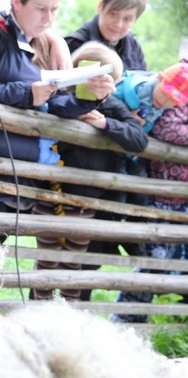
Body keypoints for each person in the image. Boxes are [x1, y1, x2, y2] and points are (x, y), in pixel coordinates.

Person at [32, 41, 149, 300]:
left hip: (86, 200)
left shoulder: (111, 106)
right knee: (47, 260)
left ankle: (69, 320)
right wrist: (85, 104)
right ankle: (36, 313)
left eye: (111, 82)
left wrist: (106, 123)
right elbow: (59, 109)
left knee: (74, 262)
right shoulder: (60, 93)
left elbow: (139, 139)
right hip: (51, 194)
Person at [0, 0, 116, 223]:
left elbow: (57, 104)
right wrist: (27, 93)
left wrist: (92, 97)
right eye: (41, 8)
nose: (49, 18)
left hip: (19, 175)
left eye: (54, 10)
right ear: (17, 3)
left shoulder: (45, 43)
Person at [111, 61, 188, 323]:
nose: (168, 100)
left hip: (180, 197)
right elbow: (166, 127)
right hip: (161, 193)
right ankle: (125, 322)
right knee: (151, 262)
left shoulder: (173, 96)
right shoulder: (145, 90)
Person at [64, 0, 147, 71]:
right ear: (100, 6)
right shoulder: (73, 44)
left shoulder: (134, 48)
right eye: (113, 14)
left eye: (127, 19)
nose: (118, 24)